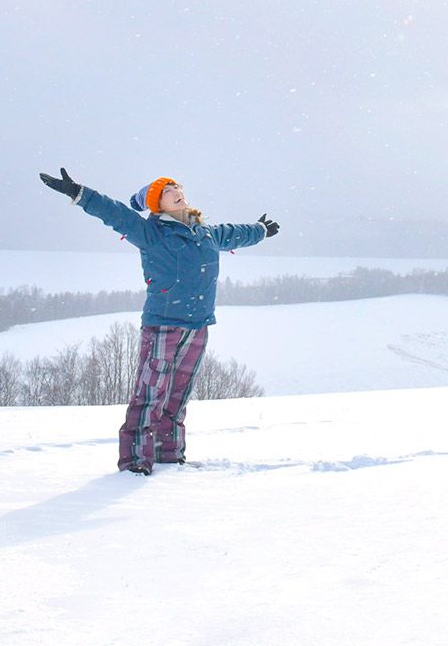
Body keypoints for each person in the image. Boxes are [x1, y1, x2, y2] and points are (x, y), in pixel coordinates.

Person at [39, 167, 279, 475]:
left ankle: (169, 456)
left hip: (198, 325)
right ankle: (135, 462)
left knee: (178, 395)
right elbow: (114, 213)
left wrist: (260, 229)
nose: (177, 192)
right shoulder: (150, 233)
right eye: (168, 190)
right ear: (157, 204)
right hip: (163, 324)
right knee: (150, 394)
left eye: (178, 187)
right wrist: (79, 193)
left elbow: (236, 232)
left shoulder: (205, 232)